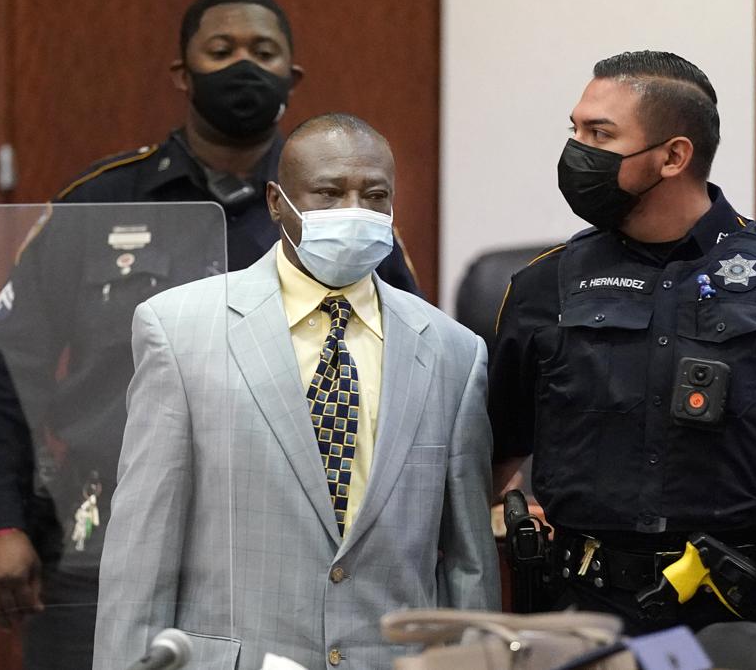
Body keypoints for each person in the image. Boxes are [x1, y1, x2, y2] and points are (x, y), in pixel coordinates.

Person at [0, 0, 420, 670]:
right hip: (101, 531)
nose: (243, 66)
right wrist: (0, 521)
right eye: (222, 50)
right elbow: (5, 372)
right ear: (184, 73)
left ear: (291, 80)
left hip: (279, 546)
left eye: (263, 53)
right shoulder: (100, 201)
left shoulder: (335, 219)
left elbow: (406, 371)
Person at [488, 51, 756, 646]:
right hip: (578, 618)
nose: (577, 150)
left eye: (600, 134)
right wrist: (507, 509)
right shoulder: (543, 285)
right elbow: (490, 452)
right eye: (575, 130)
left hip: (737, 616)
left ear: (674, 156)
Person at [92, 113, 499, 670]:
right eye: (329, 193)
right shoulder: (181, 329)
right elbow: (143, 548)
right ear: (277, 202)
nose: (353, 211)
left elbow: (469, 566)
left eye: (374, 195)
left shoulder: (454, 352)